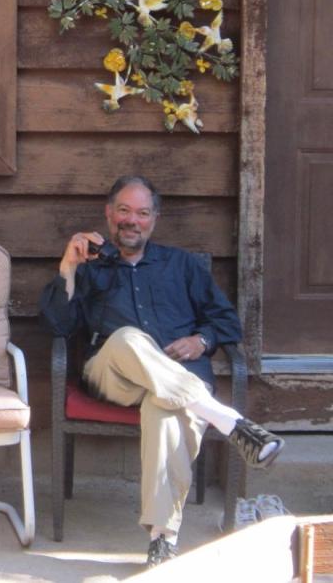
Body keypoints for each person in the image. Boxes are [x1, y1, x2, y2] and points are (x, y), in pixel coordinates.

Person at [39, 175, 284, 568]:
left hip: (174, 379)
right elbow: (58, 325)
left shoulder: (183, 266)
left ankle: (162, 539)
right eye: (123, 210)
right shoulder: (90, 267)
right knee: (127, 339)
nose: (131, 220)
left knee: (166, 411)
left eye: (142, 212)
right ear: (108, 213)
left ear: (154, 219)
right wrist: (67, 267)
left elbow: (226, 323)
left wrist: (200, 341)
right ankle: (227, 419)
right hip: (113, 375)